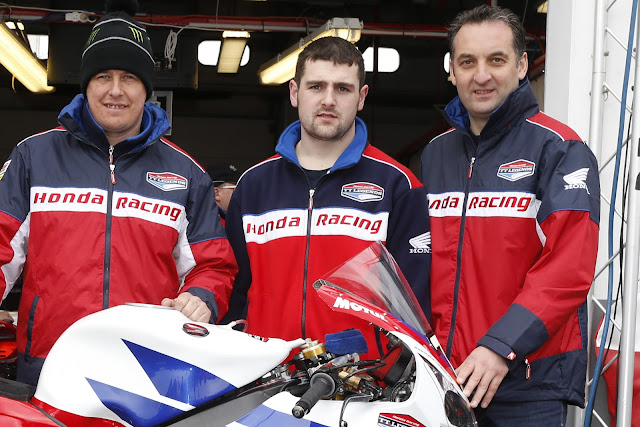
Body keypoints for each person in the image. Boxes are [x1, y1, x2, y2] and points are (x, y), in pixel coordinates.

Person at [0, 0, 237, 386]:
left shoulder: (186, 173)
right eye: (103, 76)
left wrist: (202, 298)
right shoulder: (33, 157)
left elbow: (213, 266)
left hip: (150, 369)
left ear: (146, 88)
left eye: (129, 77)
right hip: (49, 362)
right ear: (86, 84)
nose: (115, 90)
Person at [419, 5, 600, 426]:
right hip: (448, 378)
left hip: (527, 383)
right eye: (468, 62)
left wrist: (502, 345)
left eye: (496, 60)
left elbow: (568, 270)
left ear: (521, 66)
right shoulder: (436, 154)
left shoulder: (560, 149)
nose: (481, 75)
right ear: (452, 71)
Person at [224, 37, 431, 359]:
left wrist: (386, 372)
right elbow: (234, 290)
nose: (329, 100)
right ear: (295, 92)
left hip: (361, 378)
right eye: (316, 87)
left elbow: (414, 306)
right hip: (265, 376)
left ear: (362, 97)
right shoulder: (253, 185)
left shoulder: (398, 185)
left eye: (343, 89)